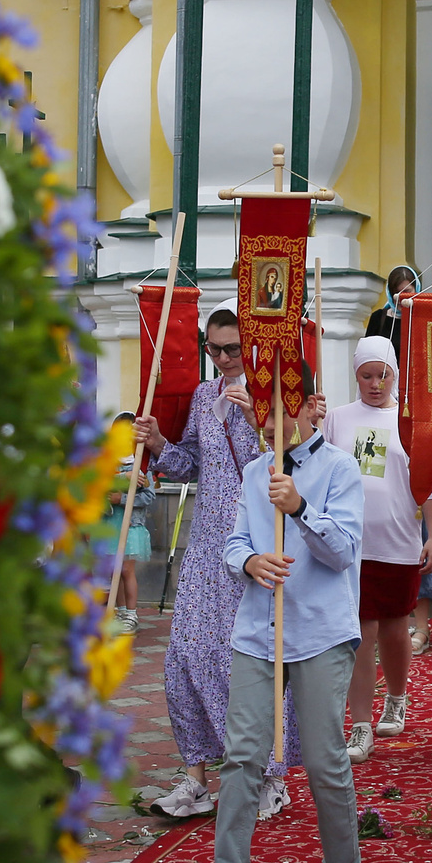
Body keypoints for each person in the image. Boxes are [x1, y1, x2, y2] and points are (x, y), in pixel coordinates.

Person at [198, 392, 367, 863]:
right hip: (258, 630)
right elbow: (234, 542)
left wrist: (299, 507)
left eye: (280, 408)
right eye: (262, 412)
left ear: (309, 406)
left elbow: (343, 551)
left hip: (321, 629)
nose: (269, 421)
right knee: (242, 755)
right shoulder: (254, 472)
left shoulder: (340, 467)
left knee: (322, 757)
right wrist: (249, 559)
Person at [135, 306, 284, 820]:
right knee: (182, 657)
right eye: (213, 349)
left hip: (255, 546)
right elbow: (191, 464)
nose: (222, 360)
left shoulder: (273, 394)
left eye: (232, 350)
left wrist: (258, 421)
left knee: (244, 661)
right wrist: (157, 443)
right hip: (205, 547)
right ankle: (195, 775)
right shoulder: (202, 395)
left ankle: (267, 772)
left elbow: (289, 464)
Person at [323, 335, 432, 755]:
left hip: (398, 540)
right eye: (366, 376)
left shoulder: (410, 421)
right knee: (361, 634)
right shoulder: (336, 418)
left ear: (395, 374)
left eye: (383, 375)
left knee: (394, 628)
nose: (375, 384)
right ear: (355, 375)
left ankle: (397, 698)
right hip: (349, 544)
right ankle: (361, 724)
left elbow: (428, 485)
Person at [97, 411, 151, 634]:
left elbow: (148, 496)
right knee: (114, 570)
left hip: (130, 527)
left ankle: (131, 614)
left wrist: (123, 499)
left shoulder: (140, 461)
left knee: (126, 570)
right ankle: (118, 611)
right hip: (110, 524)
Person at [365, 265, 420, 342]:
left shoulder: (423, 318)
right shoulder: (378, 318)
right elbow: (367, 351)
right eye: (397, 293)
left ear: (416, 289)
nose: (401, 297)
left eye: (407, 291)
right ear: (390, 293)